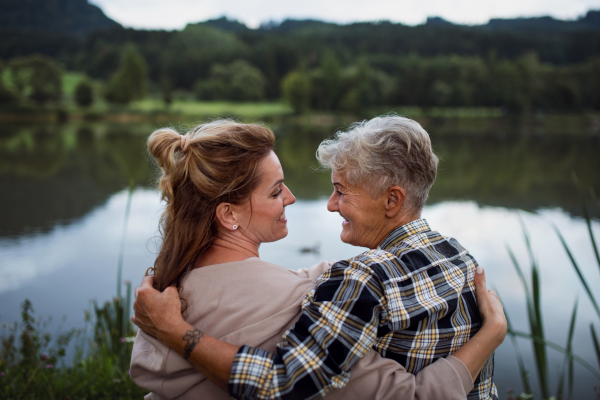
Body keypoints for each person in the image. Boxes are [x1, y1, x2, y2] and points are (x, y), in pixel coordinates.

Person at [131, 118, 506, 400]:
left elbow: (283, 382)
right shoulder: (462, 259)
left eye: (341, 191)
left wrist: (176, 333)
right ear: (227, 214)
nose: (327, 204)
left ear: (392, 200)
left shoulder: (359, 281)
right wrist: (491, 335)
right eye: (277, 191)